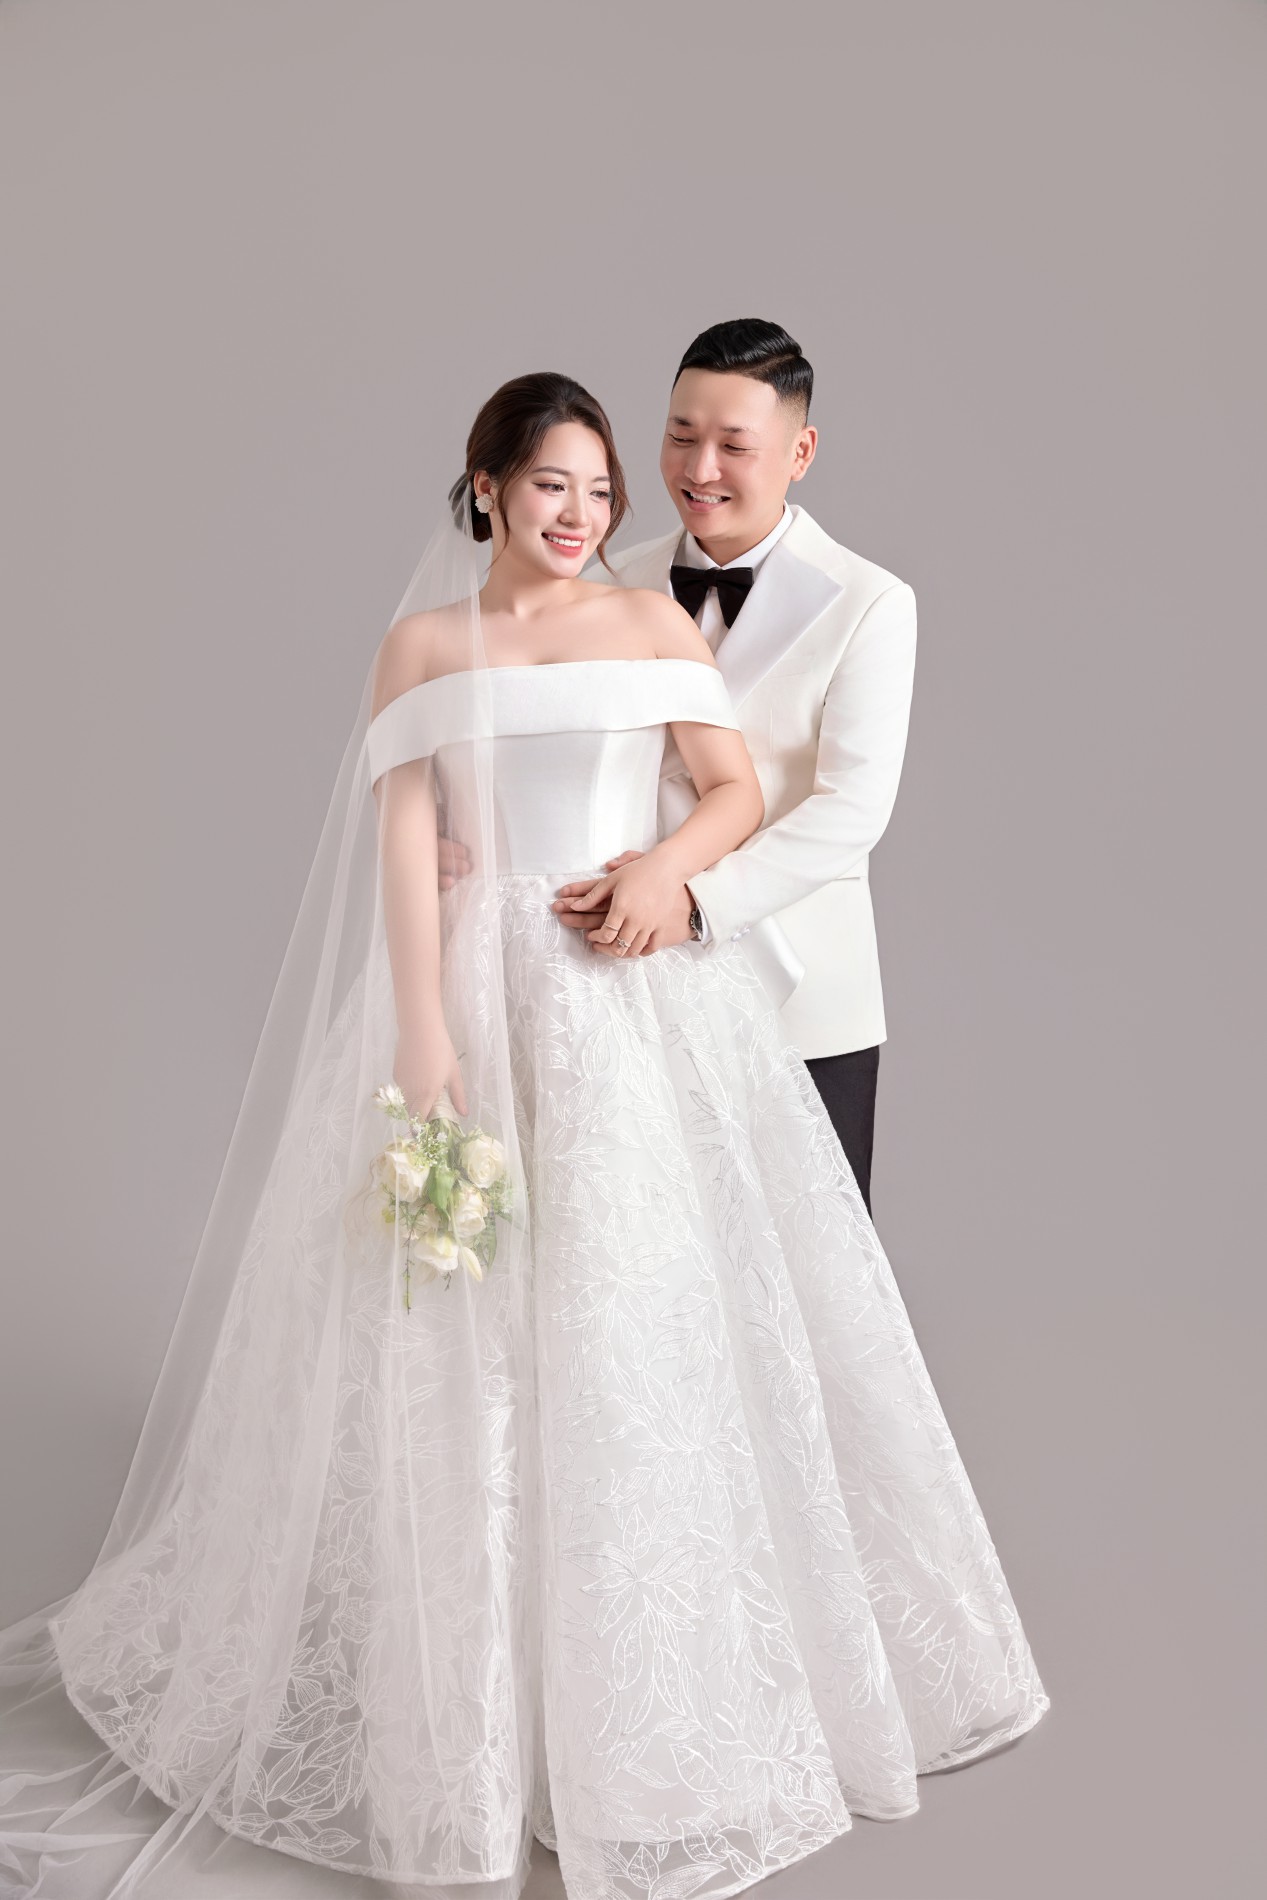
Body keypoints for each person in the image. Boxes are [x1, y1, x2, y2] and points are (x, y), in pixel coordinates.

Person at [0, 372, 1047, 1900]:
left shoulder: (651, 626)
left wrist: (656, 869)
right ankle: (478, 1705)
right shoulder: (422, 647)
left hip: (623, 992)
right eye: (553, 484)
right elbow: (403, 838)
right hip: (474, 988)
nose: (581, 513)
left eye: (598, 490)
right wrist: (421, 1034)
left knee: (628, 1319)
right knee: (466, 1333)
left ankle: (638, 1710)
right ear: (485, 483)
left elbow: (731, 790)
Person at [553, 320, 917, 1216]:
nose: (699, 467)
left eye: (733, 445)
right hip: (623, 981)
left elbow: (850, 810)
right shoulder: (609, 582)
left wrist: (692, 902)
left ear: (800, 452)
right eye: (679, 436)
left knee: (812, 1268)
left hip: (800, 992)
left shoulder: (870, 602)